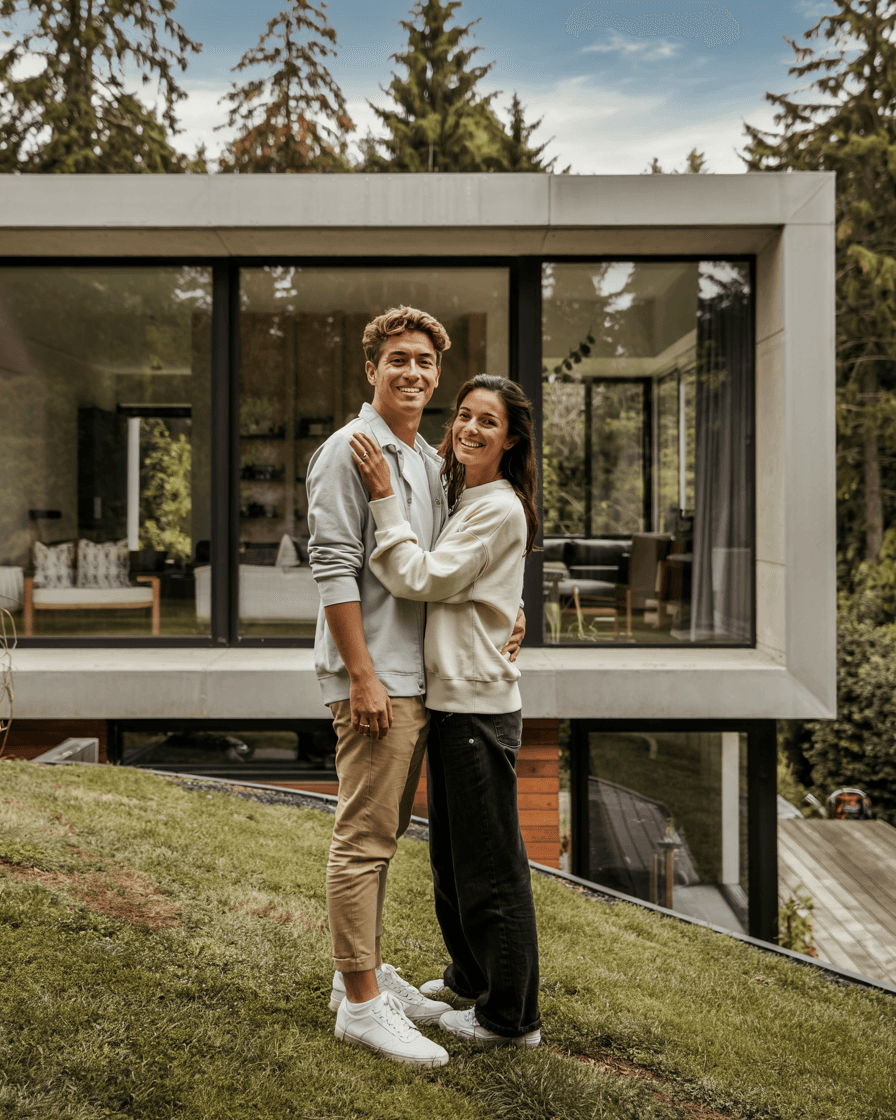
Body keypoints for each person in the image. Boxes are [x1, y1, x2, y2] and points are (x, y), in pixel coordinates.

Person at [306, 309, 524, 1069]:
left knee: (384, 839)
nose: (414, 374)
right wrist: (362, 675)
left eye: (426, 363)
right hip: (379, 682)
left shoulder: (426, 460)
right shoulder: (352, 450)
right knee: (363, 842)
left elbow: (444, 560)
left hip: (416, 682)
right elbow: (333, 566)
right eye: (399, 359)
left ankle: (353, 983)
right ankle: (364, 1007)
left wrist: (510, 607)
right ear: (371, 367)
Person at [349, 374, 542, 1049]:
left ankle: (510, 1019)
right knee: (455, 860)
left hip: (477, 709)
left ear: (511, 437)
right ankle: (468, 977)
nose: (470, 429)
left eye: (488, 421)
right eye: (464, 415)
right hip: (455, 704)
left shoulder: (497, 507)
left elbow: (421, 578)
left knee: (491, 868)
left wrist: (382, 503)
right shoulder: (467, 494)